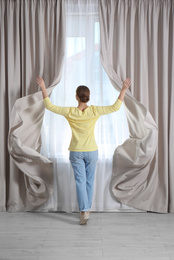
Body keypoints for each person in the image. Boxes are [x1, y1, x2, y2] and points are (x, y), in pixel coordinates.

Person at [36, 76, 131, 225]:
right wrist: (124, 89)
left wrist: (43, 87)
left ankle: (84, 211)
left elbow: (49, 106)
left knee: (80, 182)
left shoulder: (70, 112)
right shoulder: (94, 111)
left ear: (76, 96)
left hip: (76, 151)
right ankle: (86, 210)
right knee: (89, 182)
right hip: (92, 151)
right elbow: (115, 107)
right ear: (88, 96)